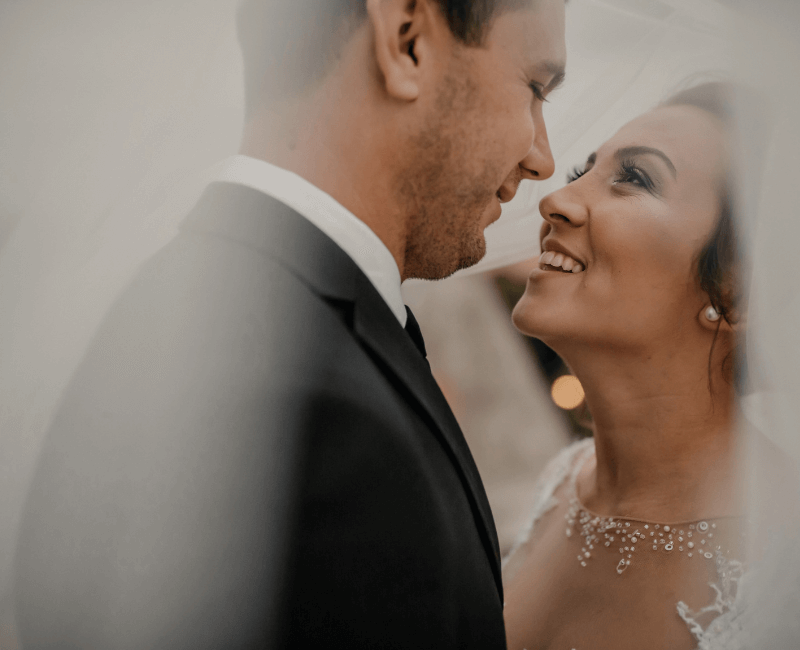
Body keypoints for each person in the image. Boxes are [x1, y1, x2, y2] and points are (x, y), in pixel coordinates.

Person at [13, 0, 566, 648]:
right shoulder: (321, 415)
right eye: (534, 87)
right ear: (407, 40)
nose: (543, 158)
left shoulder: (185, 304)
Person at [502, 83, 791, 650]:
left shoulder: (782, 574)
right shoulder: (561, 484)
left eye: (634, 178)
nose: (554, 201)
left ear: (738, 288)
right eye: (582, 171)